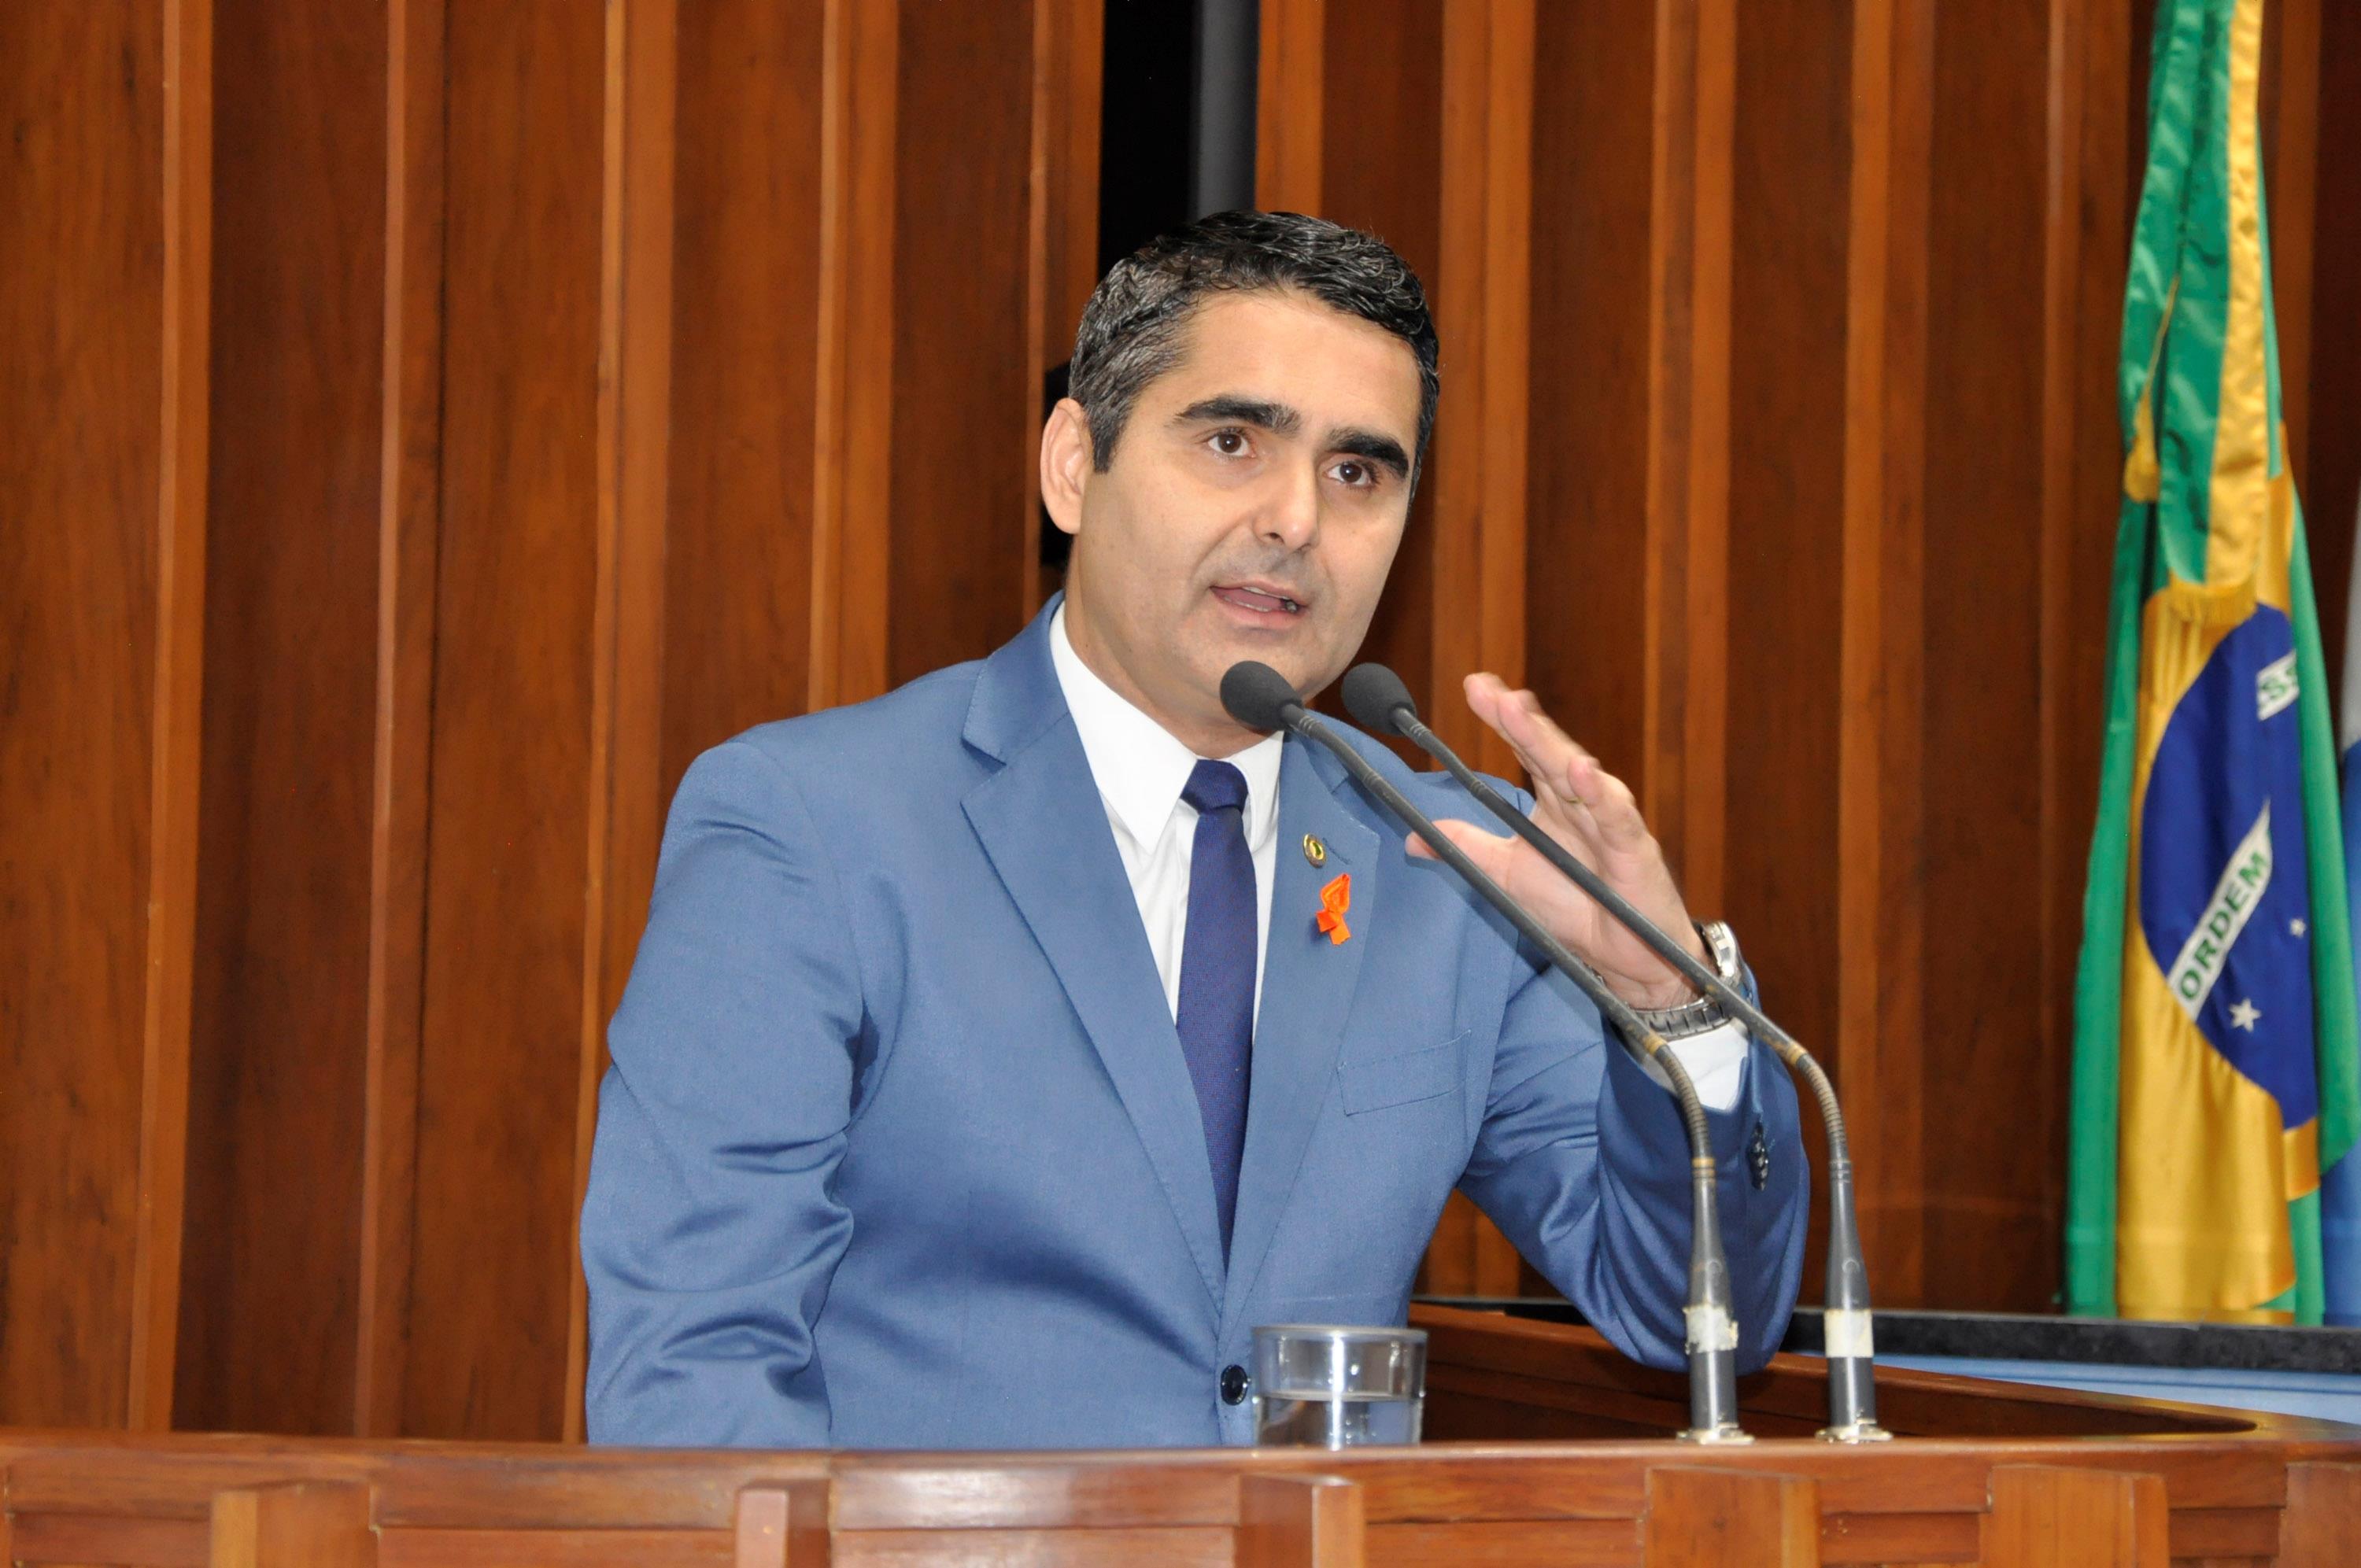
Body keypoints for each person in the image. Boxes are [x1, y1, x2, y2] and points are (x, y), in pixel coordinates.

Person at [580, 211, 1806, 1449]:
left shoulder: (1453, 863)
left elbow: (1699, 1318)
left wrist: (1667, 999)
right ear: (1075, 464)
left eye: (1358, 473)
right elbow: (693, 1379)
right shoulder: (813, 828)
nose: (1296, 520)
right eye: (1233, 442)